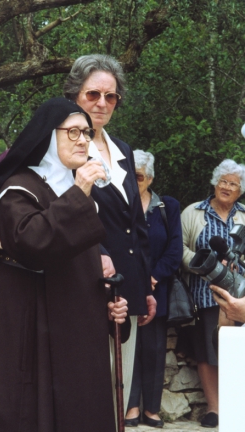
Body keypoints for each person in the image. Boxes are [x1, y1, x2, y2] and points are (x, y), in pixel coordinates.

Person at [0, 97, 129, 432]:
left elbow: (78, 262)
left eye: (87, 132)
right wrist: (80, 192)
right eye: (73, 132)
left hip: (69, 322)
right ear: (48, 136)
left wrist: (106, 307)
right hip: (22, 321)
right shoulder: (16, 188)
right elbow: (33, 243)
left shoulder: (75, 190)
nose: (83, 140)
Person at [63, 54, 156, 414]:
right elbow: (63, 215)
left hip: (127, 290)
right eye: (92, 94)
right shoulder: (62, 150)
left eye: (111, 96)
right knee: (88, 395)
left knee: (121, 386)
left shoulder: (123, 151)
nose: (102, 103)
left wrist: (143, 285)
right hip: (85, 289)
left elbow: (137, 223)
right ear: (74, 95)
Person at [181, 159, 245, 428]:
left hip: (241, 292)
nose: (227, 187)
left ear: (240, 190)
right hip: (204, 291)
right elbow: (180, 248)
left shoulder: (244, 215)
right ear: (214, 183)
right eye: (223, 181)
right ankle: (215, 409)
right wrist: (204, 265)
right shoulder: (193, 212)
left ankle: (235, 406)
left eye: (233, 183)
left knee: (236, 348)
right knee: (208, 350)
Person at [124, 150, 183, 428]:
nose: (134, 182)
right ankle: (130, 406)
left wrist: (154, 277)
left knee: (154, 350)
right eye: (130, 176)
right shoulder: (120, 205)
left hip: (157, 288)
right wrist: (137, 278)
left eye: (139, 177)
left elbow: (175, 249)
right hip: (127, 287)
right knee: (129, 347)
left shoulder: (167, 206)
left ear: (150, 178)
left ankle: (152, 409)